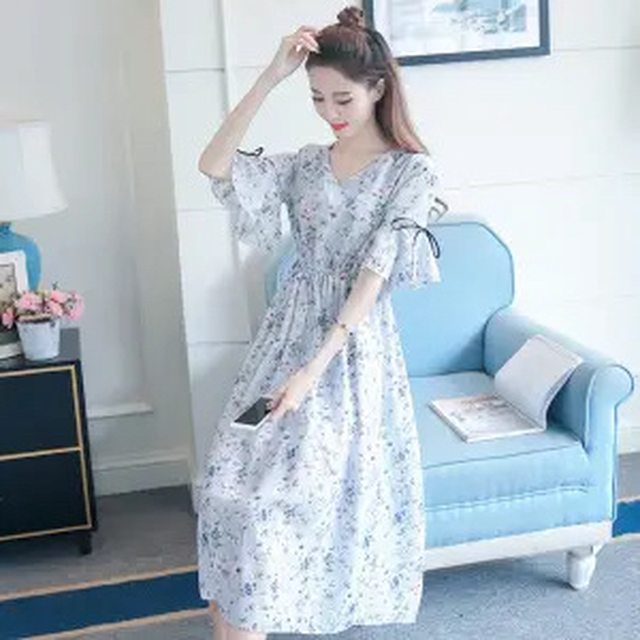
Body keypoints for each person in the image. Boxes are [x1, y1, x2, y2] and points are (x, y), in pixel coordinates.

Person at [196, 5, 447, 639]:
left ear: (378, 90)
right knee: (226, 490)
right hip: (283, 341)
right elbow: (214, 164)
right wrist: (270, 76)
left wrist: (312, 370)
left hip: (348, 355)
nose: (330, 112)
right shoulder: (306, 164)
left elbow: (375, 273)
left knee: (273, 510)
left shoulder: (410, 172)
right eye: (315, 98)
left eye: (342, 98)